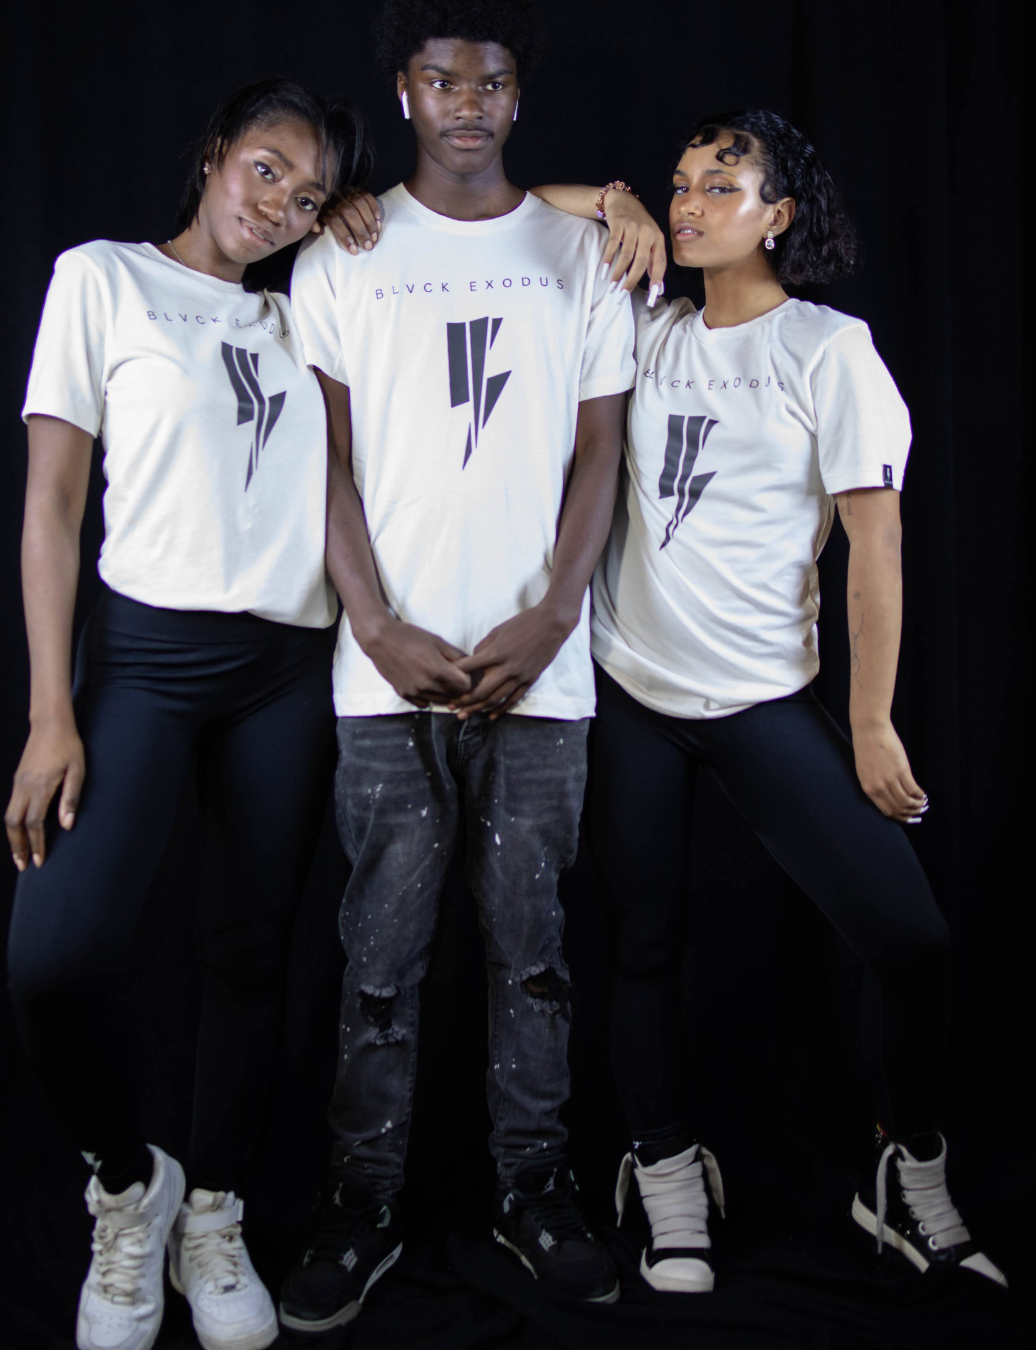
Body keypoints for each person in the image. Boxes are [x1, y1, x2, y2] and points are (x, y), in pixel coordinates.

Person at [527, 109, 1007, 1296]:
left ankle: (906, 1162)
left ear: (779, 216)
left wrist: (871, 720)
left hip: (759, 700)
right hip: (635, 688)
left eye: (720, 186)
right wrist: (617, 203)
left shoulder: (827, 350)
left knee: (911, 939)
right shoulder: (645, 321)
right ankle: (663, 1165)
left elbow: (874, 548)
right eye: (681, 184)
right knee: (641, 942)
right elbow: (521, 205)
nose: (689, 204)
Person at [276, 0, 636, 1332]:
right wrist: (374, 624)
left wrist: (551, 622)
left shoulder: (583, 252)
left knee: (533, 959)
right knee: (378, 961)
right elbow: (321, 456)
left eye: (490, 81)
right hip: (385, 673)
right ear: (406, 92)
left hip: (541, 674)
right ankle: (361, 1204)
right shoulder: (343, 251)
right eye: (443, 80)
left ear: (518, 97)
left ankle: (533, 1190)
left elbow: (601, 450)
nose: (468, 102)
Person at [4, 78, 372, 1350]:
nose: (280, 207)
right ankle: (129, 1185)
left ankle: (215, 1208)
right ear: (216, 153)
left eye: (309, 196)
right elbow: (52, 509)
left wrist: (612, 204)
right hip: (145, 661)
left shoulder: (308, 303)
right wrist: (51, 709)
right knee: (51, 960)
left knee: (250, 954)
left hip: (286, 667)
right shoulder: (100, 278)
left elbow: (469, 205)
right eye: (266, 169)